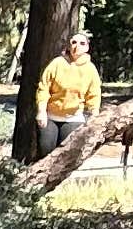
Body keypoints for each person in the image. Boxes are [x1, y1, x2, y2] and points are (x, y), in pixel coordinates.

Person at [35, 27, 104, 158]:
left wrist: (95, 115)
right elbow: (43, 88)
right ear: (69, 45)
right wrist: (41, 111)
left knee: (65, 157)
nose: (77, 46)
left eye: (82, 43)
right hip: (50, 117)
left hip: (74, 118)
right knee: (46, 154)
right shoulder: (57, 63)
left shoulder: (90, 69)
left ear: (87, 47)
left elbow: (94, 94)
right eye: (74, 42)